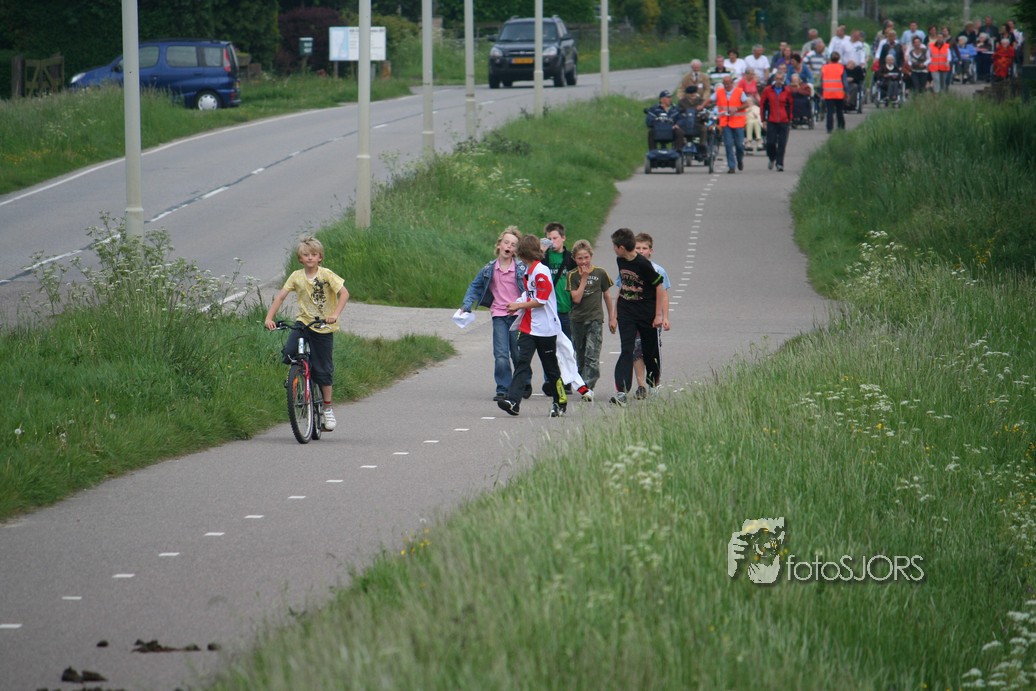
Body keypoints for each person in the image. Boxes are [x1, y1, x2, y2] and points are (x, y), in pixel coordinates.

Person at [264, 236, 349, 432]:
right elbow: (281, 296)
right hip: (303, 322)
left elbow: (344, 293)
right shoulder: (296, 276)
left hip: (323, 326)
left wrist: (334, 315)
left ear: (320, 258)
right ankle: (300, 377)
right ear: (300, 258)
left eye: (313, 254)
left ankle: (327, 408)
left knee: (324, 369)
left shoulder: (326, 274)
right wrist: (269, 318)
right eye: (306, 255)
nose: (310, 258)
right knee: (289, 352)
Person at [497, 233, 566, 418]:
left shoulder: (541, 271)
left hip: (546, 329)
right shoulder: (529, 271)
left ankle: (560, 402)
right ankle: (513, 401)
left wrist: (519, 306)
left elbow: (541, 300)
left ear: (523, 253)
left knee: (551, 368)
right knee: (522, 363)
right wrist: (516, 304)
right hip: (529, 327)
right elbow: (529, 294)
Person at [461, 226, 529, 402]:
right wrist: (467, 304)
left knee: (518, 353)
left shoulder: (522, 269)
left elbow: (532, 289)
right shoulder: (488, 269)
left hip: (518, 316)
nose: (509, 246)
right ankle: (503, 388)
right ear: (499, 245)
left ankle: (523, 382)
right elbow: (475, 286)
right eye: (506, 242)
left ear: (516, 250)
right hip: (499, 315)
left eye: (513, 244)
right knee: (501, 355)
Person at [608, 228, 664, 407]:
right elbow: (623, 287)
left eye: (615, 246)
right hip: (627, 313)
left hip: (646, 314)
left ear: (622, 247)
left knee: (650, 352)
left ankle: (653, 384)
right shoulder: (620, 260)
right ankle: (621, 392)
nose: (613, 249)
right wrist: (615, 315)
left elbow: (659, 287)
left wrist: (658, 315)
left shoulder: (643, 265)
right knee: (627, 350)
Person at [566, 239, 614, 393]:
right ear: (574, 259)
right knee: (580, 356)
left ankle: (589, 386)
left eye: (586, 257)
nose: (583, 261)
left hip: (595, 319)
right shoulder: (572, 275)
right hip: (577, 320)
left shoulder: (600, 273)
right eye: (580, 258)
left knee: (592, 356)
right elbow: (576, 298)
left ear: (591, 256)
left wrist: (612, 318)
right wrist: (584, 279)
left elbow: (607, 295)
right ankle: (582, 384)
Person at [628, 233, 670, 399]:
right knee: (636, 349)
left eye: (644, 248)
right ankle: (641, 386)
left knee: (651, 351)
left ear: (650, 251)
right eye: (638, 248)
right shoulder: (628, 268)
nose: (641, 251)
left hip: (652, 318)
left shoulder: (658, 270)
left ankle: (654, 383)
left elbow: (664, 295)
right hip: (633, 316)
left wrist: (664, 317)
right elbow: (622, 291)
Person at [542, 221, 577, 342]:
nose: (552, 241)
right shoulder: (544, 257)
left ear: (563, 238)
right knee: (550, 345)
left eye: (555, 238)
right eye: (549, 239)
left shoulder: (570, 258)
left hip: (565, 307)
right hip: (548, 309)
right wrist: (541, 253)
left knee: (568, 344)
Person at [714, 73, 749, 174]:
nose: (726, 85)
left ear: (732, 83)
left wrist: (737, 108)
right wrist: (702, 105)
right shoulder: (720, 92)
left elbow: (746, 103)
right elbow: (710, 100)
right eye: (725, 83)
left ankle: (739, 159)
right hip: (726, 123)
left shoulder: (739, 92)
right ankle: (731, 166)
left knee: (739, 146)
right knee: (728, 145)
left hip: (738, 123)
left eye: (728, 83)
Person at [760, 70, 793, 171]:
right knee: (770, 142)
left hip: (784, 120)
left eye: (781, 79)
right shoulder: (767, 90)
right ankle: (772, 157)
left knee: (782, 143)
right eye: (777, 79)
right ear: (774, 79)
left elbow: (791, 105)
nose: (779, 81)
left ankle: (780, 164)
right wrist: (763, 120)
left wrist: (790, 118)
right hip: (772, 120)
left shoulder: (787, 91)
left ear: (783, 80)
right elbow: (762, 105)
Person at [820, 52, 847, 133]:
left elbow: (821, 81)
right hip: (839, 93)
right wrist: (847, 92)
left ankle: (829, 128)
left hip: (828, 93)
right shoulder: (841, 67)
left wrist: (821, 92)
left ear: (830, 58)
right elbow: (845, 82)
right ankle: (841, 127)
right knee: (839, 111)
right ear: (838, 59)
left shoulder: (824, 67)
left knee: (829, 111)